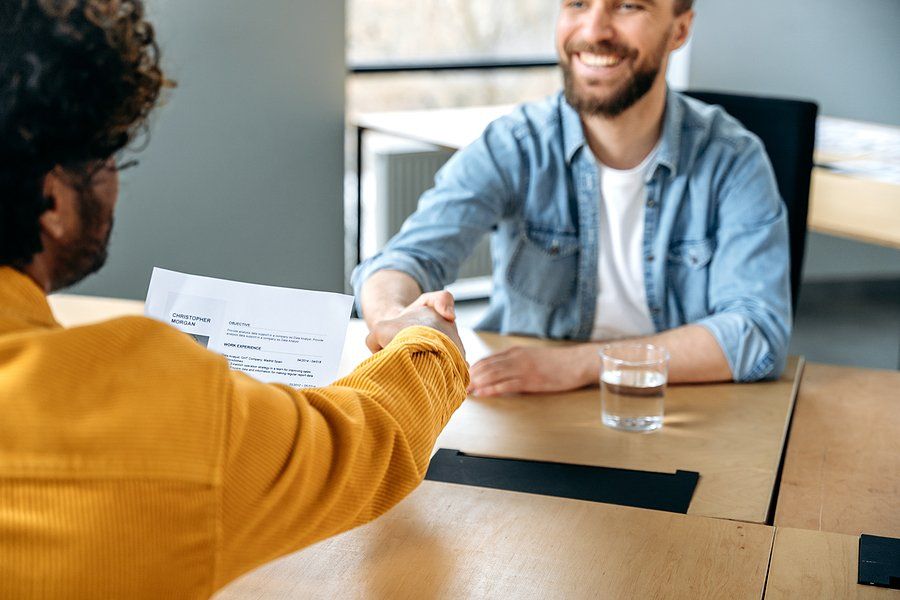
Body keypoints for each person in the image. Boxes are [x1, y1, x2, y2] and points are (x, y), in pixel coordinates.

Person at [0, 1, 467, 597]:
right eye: (109, 154)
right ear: (54, 202)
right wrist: (430, 344)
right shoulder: (142, 407)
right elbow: (368, 441)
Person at [354, 0, 791, 395]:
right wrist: (394, 316)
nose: (594, 28)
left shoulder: (733, 159)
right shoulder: (515, 144)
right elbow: (406, 258)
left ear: (679, 30)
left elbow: (756, 331)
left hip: (676, 404)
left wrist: (580, 364)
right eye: (577, 3)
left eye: (628, 6)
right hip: (529, 405)